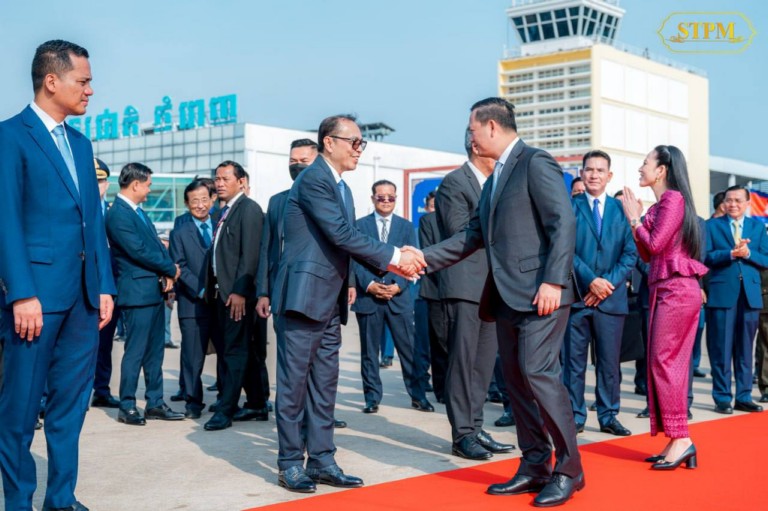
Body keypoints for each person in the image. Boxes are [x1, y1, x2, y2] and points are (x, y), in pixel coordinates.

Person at [423, 98, 583, 507]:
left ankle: (570, 469)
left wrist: (553, 280)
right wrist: (421, 259)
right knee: (516, 381)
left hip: (542, 294)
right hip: (507, 297)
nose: (470, 137)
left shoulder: (535, 162)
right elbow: (470, 236)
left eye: (472, 129)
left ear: (491, 126)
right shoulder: (495, 178)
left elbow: (562, 222)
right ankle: (535, 465)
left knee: (538, 374)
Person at [270, 114, 424, 493]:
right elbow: (341, 234)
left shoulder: (342, 188)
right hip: (303, 297)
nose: (359, 149)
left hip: (329, 299)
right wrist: (396, 257)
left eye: (361, 143)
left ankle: (322, 459)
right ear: (329, 142)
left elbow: (348, 241)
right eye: (354, 142)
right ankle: (290, 463)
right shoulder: (314, 180)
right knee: (294, 386)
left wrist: (385, 268)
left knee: (325, 385)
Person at [0, 39, 116, 511]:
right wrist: (20, 293)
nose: (90, 90)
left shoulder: (82, 144)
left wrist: (104, 286)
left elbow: (93, 221)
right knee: (19, 411)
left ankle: (61, 499)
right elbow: (6, 220)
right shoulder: (10, 136)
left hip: (85, 300)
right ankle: (19, 502)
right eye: (83, 81)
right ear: (52, 81)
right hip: (36, 300)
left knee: (70, 408)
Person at [619, 145, 708, 470]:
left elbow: (654, 245)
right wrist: (637, 222)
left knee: (663, 361)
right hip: (666, 289)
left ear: (662, 170)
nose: (640, 168)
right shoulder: (663, 204)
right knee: (668, 362)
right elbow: (647, 253)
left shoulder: (673, 200)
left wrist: (634, 218)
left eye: (645, 163)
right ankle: (677, 438)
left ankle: (681, 439)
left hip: (676, 290)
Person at [256, 139, 348, 429]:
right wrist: (263, 291)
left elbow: (346, 239)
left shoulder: (339, 193)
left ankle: (319, 434)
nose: (296, 166)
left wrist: (351, 283)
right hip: (290, 294)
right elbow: (268, 249)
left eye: (303, 161)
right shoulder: (278, 201)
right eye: (292, 161)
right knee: (294, 374)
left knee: (323, 375)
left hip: (328, 292)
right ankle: (295, 442)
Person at [434, 131, 513, 460]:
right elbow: (459, 232)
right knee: (462, 363)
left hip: (492, 288)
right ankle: (462, 434)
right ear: (477, 146)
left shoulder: (496, 184)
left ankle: (476, 427)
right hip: (464, 286)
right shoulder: (455, 183)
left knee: (482, 364)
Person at [563, 150, 637, 437]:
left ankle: (608, 415)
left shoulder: (622, 210)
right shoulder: (569, 207)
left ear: (609, 175)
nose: (594, 175)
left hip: (611, 298)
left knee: (609, 363)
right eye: (589, 169)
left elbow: (630, 254)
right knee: (573, 363)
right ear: (582, 173)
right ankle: (575, 415)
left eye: (600, 170)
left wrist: (605, 284)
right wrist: (591, 280)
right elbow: (565, 250)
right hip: (578, 298)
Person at [106, 163, 185, 426]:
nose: (150, 190)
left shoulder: (137, 212)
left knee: (154, 353)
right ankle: (127, 405)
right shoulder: (118, 214)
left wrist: (167, 271)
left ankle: (155, 403)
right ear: (136, 184)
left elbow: (155, 247)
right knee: (135, 352)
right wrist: (170, 268)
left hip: (152, 291)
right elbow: (137, 250)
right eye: (148, 185)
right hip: (137, 294)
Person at [351, 180, 433, 414]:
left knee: (409, 350)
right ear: (373, 199)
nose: (386, 201)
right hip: (369, 298)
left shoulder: (406, 227)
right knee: (370, 352)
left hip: (399, 298)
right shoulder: (359, 226)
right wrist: (369, 285)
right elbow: (354, 259)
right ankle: (372, 398)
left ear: (396, 199)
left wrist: (398, 285)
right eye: (381, 197)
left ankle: (418, 396)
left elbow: (413, 260)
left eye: (390, 197)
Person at [203, 161, 267, 431]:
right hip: (222, 294)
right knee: (243, 351)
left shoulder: (248, 209)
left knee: (234, 353)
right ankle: (257, 403)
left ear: (241, 182)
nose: (219, 183)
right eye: (216, 179)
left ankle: (226, 409)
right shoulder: (224, 211)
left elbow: (251, 255)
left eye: (225, 178)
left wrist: (240, 291)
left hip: (238, 296)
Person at [704, 185, 768, 414]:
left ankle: (743, 396)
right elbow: (704, 257)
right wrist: (730, 254)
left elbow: (765, 259)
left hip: (750, 296)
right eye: (729, 200)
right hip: (722, 294)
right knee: (721, 349)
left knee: (745, 349)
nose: (732, 204)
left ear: (747, 203)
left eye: (738, 200)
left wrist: (747, 253)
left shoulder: (757, 227)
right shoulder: (711, 226)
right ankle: (722, 398)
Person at [169, 179, 218, 419]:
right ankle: (193, 402)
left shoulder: (221, 225)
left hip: (223, 304)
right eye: (194, 201)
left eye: (204, 199)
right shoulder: (179, 232)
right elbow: (179, 266)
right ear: (187, 204)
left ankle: (225, 401)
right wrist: (201, 290)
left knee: (226, 355)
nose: (200, 205)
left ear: (212, 200)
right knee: (192, 356)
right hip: (193, 303)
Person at [91, 157, 121, 409]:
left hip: (110, 287)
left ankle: (101, 389)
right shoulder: (78, 209)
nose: (96, 186)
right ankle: (49, 397)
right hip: (83, 287)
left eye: (100, 181)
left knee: (105, 342)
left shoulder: (114, 213)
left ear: (107, 184)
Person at [417, 191, 448, 404]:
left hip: (464, 289)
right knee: (439, 341)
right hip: (436, 289)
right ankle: (442, 389)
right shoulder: (428, 221)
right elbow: (428, 254)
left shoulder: (465, 218)